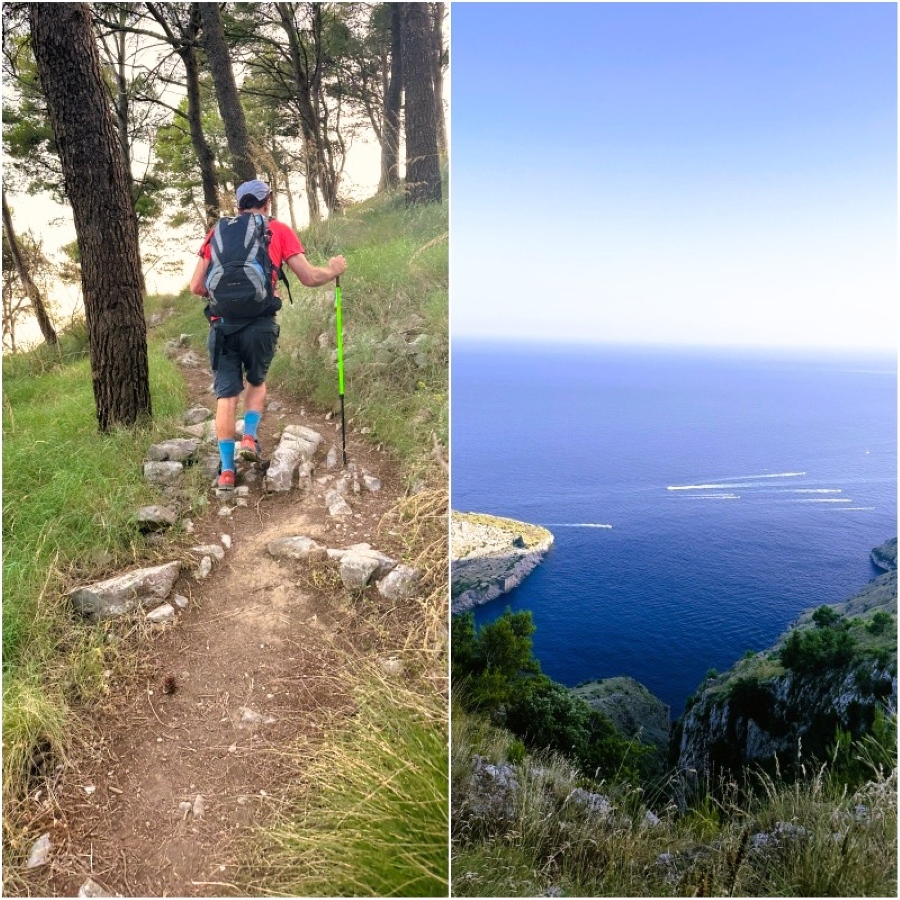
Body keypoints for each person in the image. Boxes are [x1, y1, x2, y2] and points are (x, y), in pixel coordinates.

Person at [190, 179, 347, 491]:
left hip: (222, 325)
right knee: (257, 382)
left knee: (225, 395)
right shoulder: (277, 230)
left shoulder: (216, 232)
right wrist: (334, 270)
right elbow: (309, 277)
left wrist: (229, 294)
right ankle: (249, 437)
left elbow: (197, 286)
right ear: (267, 202)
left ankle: (226, 471)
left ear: (238, 204)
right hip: (261, 323)